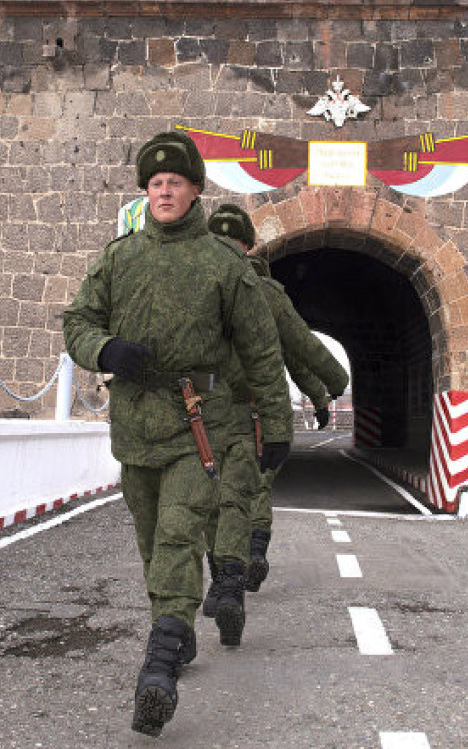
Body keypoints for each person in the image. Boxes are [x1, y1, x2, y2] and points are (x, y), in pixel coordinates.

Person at [63, 132, 293, 737]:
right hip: (135, 427)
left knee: (176, 537)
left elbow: (264, 352)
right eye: (155, 184)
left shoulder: (225, 266)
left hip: (200, 429)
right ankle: (179, 628)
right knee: (151, 542)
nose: (164, 191)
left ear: (195, 191)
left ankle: (159, 666)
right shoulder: (119, 258)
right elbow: (78, 320)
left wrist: (278, 426)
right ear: (147, 192)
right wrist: (104, 347)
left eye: (176, 183)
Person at [205, 204, 350, 592]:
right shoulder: (264, 292)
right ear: (248, 245)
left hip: (205, 412)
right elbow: (299, 348)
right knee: (256, 485)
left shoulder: (197, 285)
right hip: (256, 410)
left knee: (217, 491)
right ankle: (252, 551)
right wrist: (329, 388)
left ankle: (224, 572)